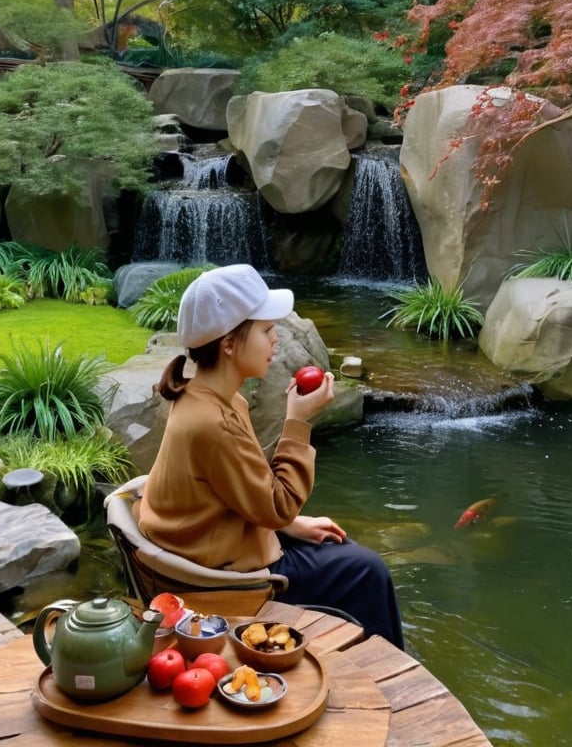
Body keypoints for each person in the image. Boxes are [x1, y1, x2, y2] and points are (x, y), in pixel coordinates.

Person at [136, 263, 405, 649]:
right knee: (367, 571)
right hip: (221, 575)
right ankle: (386, 668)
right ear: (229, 343)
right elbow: (277, 505)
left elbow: (243, 494)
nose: (275, 340)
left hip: (214, 544)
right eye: (265, 330)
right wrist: (298, 421)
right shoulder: (214, 422)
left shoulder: (211, 397)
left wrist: (291, 526)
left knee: (340, 549)